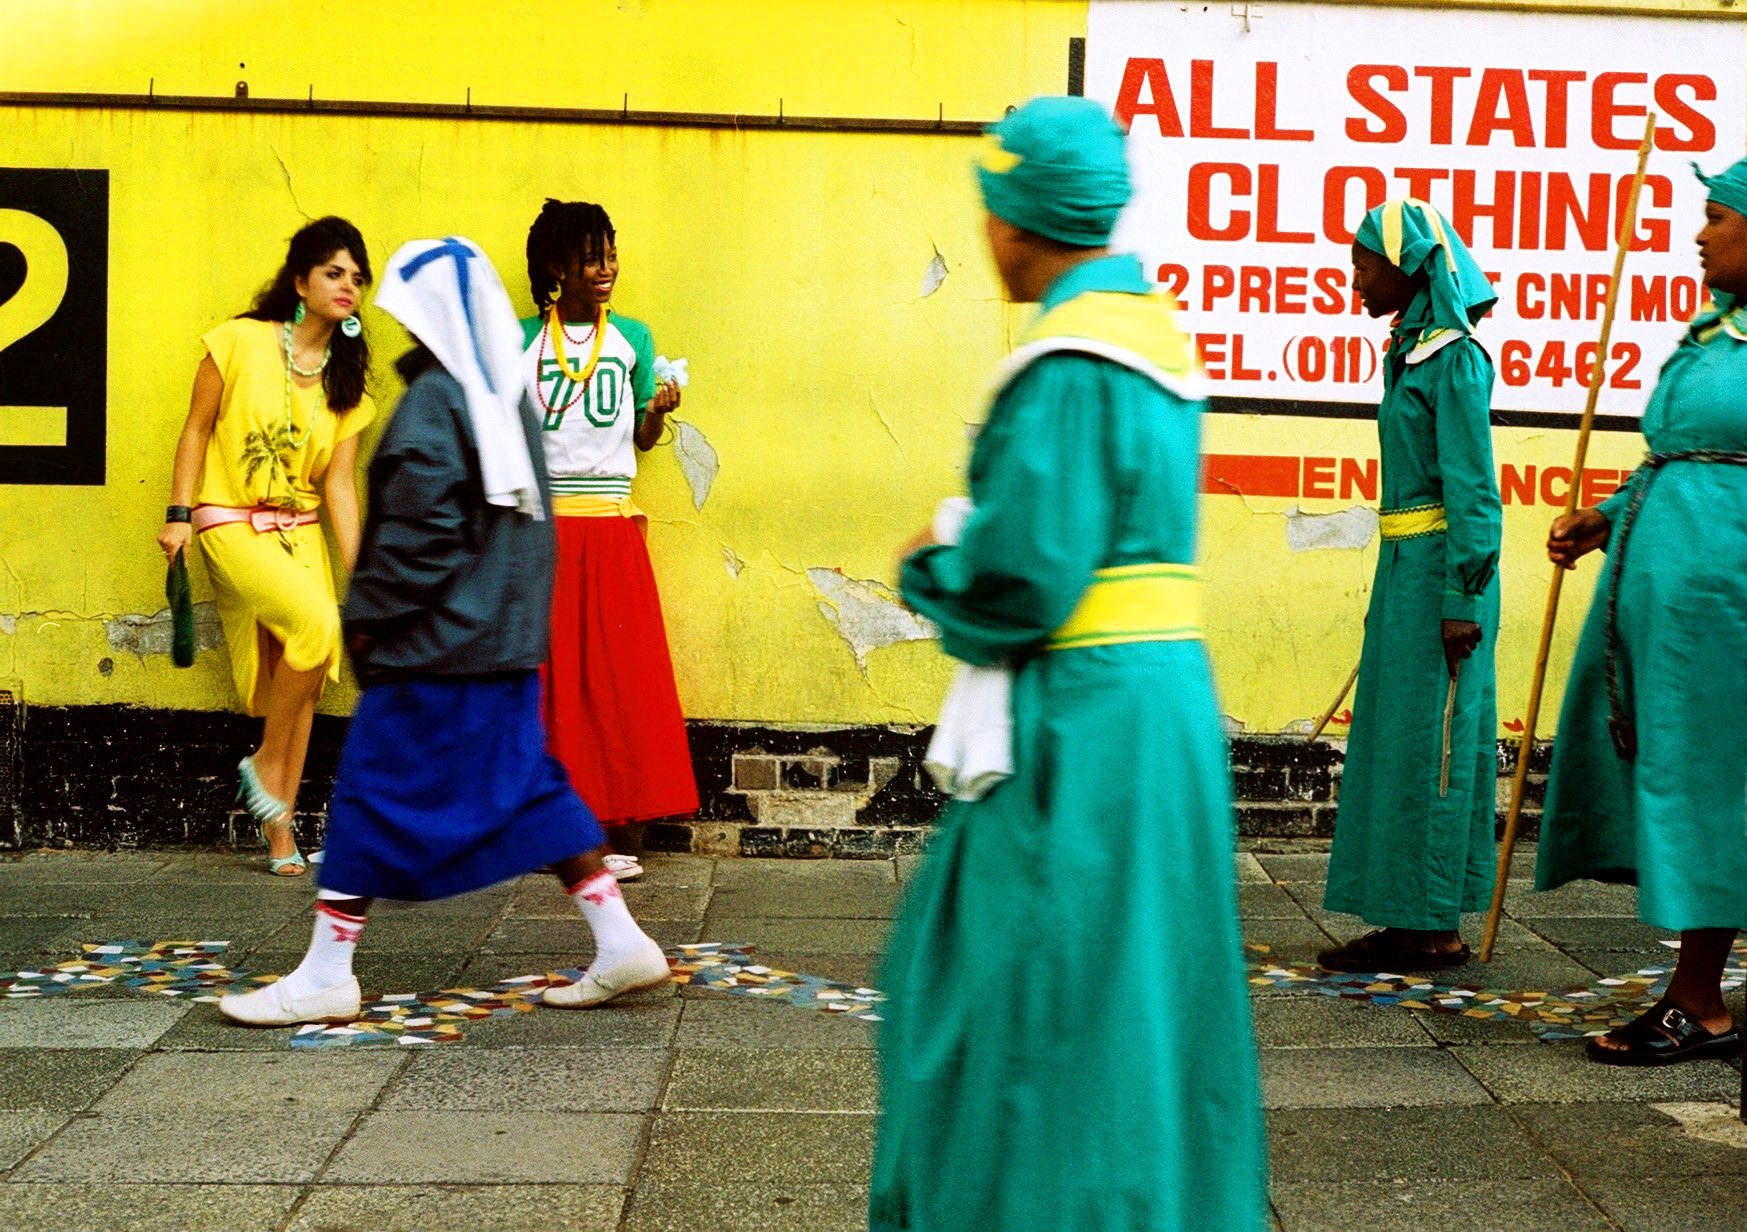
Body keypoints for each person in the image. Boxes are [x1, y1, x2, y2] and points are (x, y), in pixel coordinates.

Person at [870, 98, 1267, 1231]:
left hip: (1078, 718)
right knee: (1141, 983)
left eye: (992, 209)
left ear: (1017, 217)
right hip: (1161, 704)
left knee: (1021, 983)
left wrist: (933, 560)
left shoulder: (1063, 363)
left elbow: (1027, 574)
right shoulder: (1153, 340)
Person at [219, 237, 669, 1027]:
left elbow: (415, 542)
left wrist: (368, 625)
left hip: (429, 651)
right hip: (501, 648)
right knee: (532, 793)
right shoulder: (507, 395)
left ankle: (327, 973)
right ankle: (621, 940)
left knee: (368, 797)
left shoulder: (433, 403)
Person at [1534, 160, 1747, 1066]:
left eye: (1715, 217)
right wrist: (1610, 515)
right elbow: (1684, 457)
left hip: (1725, 610)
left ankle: (1697, 1000)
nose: (1697, 234)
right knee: (1696, 782)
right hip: (1676, 609)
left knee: (1713, 785)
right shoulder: (1715, 335)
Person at [156, 217, 376, 876]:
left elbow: (339, 488)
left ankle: (279, 830)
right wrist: (178, 514)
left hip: (300, 533)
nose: (348, 287)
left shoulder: (348, 386)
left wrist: (365, 572)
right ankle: (261, 768)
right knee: (315, 625)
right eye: (335, 273)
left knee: (305, 675)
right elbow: (196, 430)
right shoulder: (238, 342)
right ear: (301, 280)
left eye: (357, 278)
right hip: (227, 520)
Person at [1318, 199, 1502, 972]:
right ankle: (1406, 916)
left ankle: (1432, 926)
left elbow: (1473, 490)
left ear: (1407, 267)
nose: (1352, 276)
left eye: (1364, 263)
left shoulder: (1454, 358)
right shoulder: (1409, 350)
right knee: (1397, 743)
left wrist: (1462, 598)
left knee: (1435, 747)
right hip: (1405, 573)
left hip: (1440, 581)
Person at [520, 199, 697, 882]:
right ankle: (546, 827)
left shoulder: (633, 339)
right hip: (541, 528)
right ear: (557, 267)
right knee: (548, 680)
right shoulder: (518, 341)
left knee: (616, 678)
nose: (606, 270)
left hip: (612, 525)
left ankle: (618, 824)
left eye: (610, 255)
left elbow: (640, 443)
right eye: (591, 257)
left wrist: (654, 410)